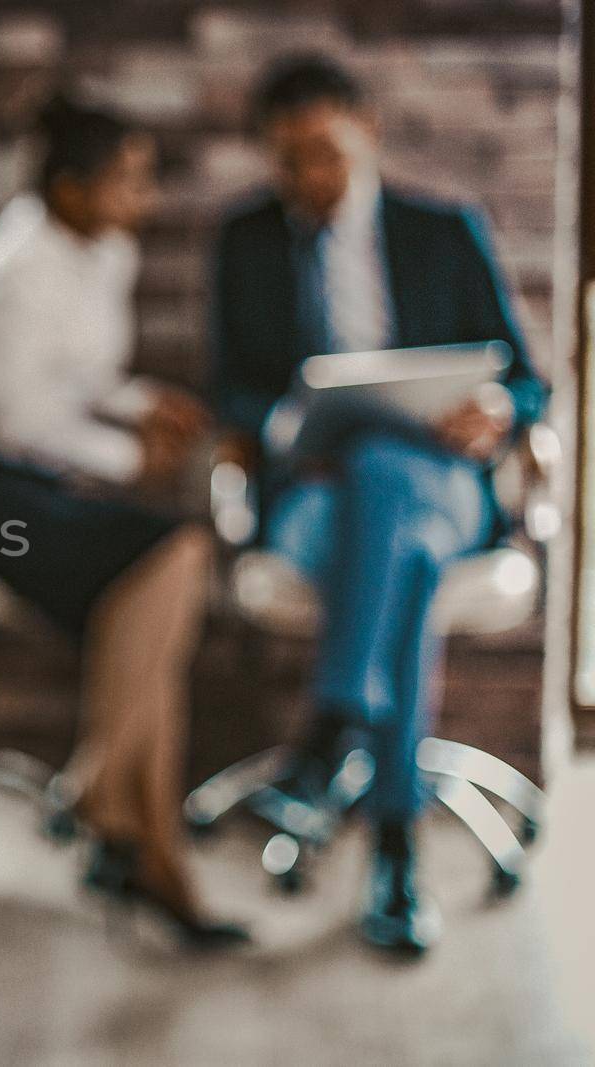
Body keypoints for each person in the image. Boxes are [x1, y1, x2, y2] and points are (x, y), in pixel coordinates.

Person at [210, 54, 547, 956]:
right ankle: (395, 847)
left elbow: (528, 380)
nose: (308, 176)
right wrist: (289, 427)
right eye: (288, 160)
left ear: (367, 130)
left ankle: (330, 734)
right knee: (395, 525)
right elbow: (230, 393)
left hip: (442, 481)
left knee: (392, 482)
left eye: (324, 151)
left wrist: (501, 408)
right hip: (312, 494)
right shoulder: (244, 243)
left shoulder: (443, 231)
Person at [0, 95, 245, 947]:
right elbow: (16, 420)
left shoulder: (107, 254)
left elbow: (83, 378)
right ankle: (121, 819)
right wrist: (131, 459)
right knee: (170, 555)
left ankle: (133, 831)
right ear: (69, 189)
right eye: (128, 181)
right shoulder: (14, 269)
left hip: (33, 462)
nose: (145, 198)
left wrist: (140, 404)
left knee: (160, 590)